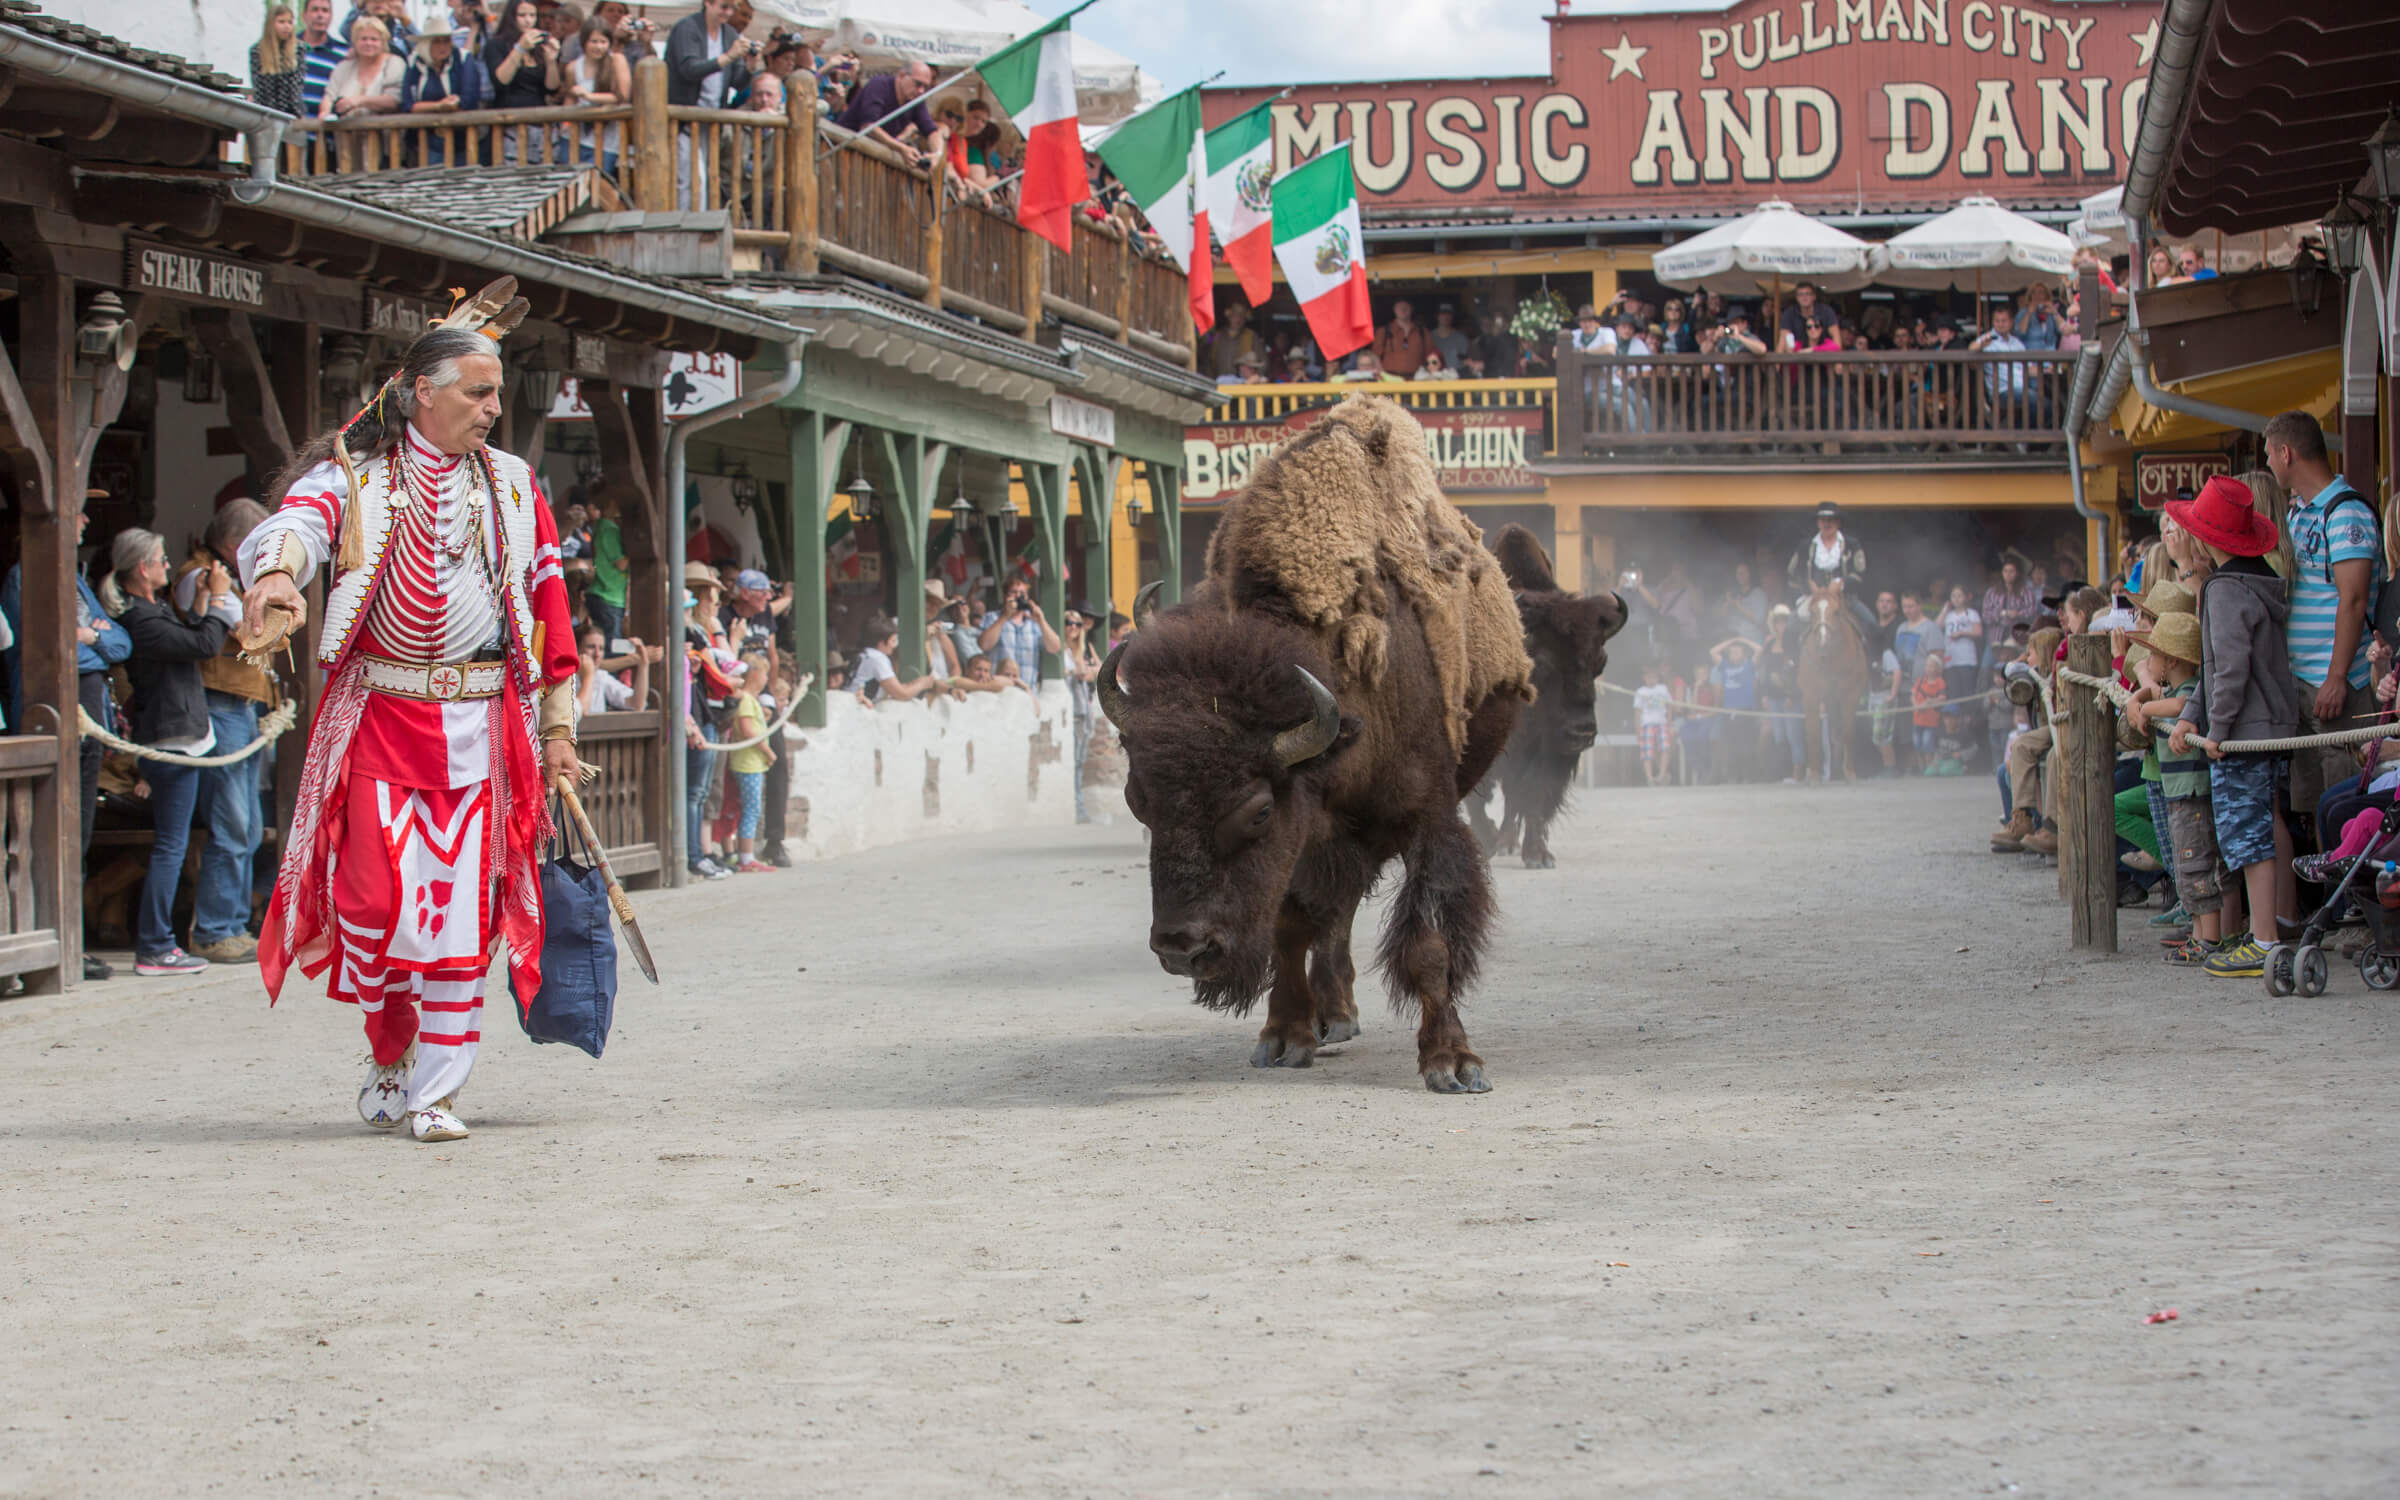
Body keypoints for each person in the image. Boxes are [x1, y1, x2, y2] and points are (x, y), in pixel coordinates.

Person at [238, 315, 581, 1145]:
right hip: (381, 722)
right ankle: (390, 1054)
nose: (494, 406)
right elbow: (295, 525)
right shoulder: (357, 480)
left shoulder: (511, 484)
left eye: (497, 390)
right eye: (479, 390)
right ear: (422, 393)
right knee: (377, 906)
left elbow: (548, 608)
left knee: (460, 917)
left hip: (481, 728)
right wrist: (279, 576)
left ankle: (439, 1090)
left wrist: (560, 727)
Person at [2165, 476, 2299, 979]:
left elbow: (2230, 669)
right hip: (2259, 725)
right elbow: (2215, 667)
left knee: (2247, 836)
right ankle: (2262, 930)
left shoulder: (2223, 592)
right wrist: (2190, 715)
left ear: (2206, 541)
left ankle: (2264, 940)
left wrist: (2214, 728)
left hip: (2243, 732)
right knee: (2253, 830)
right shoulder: (2256, 581)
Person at [106, 530, 238, 977]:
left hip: (184, 735)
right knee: (170, 847)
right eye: (162, 559)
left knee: (175, 844)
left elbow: (187, 643)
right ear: (143, 569)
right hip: (171, 741)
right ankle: (156, 947)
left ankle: (159, 943)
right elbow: (203, 646)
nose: (168, 564)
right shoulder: (140, 618)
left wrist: (202, 604)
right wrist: (220, 601)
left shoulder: (153, 611)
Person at [170, 501, 276, 965]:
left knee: (249, 825)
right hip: (220, 705)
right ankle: (214, 930)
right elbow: (248, 628)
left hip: (241, 708)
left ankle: (232, 924)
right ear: (237, 545)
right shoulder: (199, 576)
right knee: (231, 822)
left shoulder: (224, 576)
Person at [2265, 409, 2380, 827]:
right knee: (2312, 807)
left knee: (2344, 798)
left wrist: (2336, 677)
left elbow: (2352, 600)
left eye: (2269, 456)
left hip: (2338, 685)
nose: (2268, 465)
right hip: (2301, 683)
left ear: (2286, 453)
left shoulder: (2345, 512)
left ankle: (2350, 893)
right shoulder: (2298, 513)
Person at [2127, 612, 2223, 965]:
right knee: (2186, 867)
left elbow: (2180, 706)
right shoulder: (2172, 690)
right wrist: (2139, 702)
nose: (2149, 662)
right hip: (2177, 792)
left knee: (2196, 864)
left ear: (2170, 661)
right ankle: (2199, 933)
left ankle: (2209, 937)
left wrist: (2145, 707)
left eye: (2153, 655)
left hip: (2192, 793)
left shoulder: (2189, 692)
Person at [399, 25, 492, 159]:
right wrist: (438, 106)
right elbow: (407, 104)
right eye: (437, 41)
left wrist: (455, 103)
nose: (443, 46)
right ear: (426, 44)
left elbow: (470, 99)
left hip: (463, 138)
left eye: (446, 41)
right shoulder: (414, 62)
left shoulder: (462, 58)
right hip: (425, 139)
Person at [1786, 499, 1872, 637]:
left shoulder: (1852, 545)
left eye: (1831, 520)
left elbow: (1861, 574)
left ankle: (1874, 659)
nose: (1827, 523)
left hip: (1845, 599)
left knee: (1873, 626)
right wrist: (1809, 586)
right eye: (1823, 520)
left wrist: (1842, 583)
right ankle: (1791, 660)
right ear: (1818, 522)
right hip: (1813, 598)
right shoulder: (1805, 546)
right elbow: (1792, 574)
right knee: (1789, 629)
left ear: (1838, 522)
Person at [725, 649, 777, 871]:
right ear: (755, 674)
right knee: (752, 809)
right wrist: (768, 751)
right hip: (748, 763)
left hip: (750, 762)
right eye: (765, 674)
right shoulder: (746, 700)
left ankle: (744, 854)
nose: (766, 679)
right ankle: (746, 857)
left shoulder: (750, 700)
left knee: (750, 808)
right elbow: (747, 731)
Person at [837, 60, 941, 167]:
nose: (921, 91)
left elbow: (932, 131)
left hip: (869, 161)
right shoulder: (879, 85)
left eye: (926, 87)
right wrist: (901, 148)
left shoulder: (916, 99)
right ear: (902, 75)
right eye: (918, 84)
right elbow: (868, 127)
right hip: (842, 151)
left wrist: (937, 154)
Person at [560, 19, 632, 170]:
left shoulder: (616, 60)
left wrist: (589, 96)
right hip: (575, 136)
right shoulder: (573, 67)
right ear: (584, 42)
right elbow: (571, 97)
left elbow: (622, 96)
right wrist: (564, 123)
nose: (599, 46)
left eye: (603, 42)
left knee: (599, 183)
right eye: (594, 41)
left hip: (605, 139)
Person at [978, 575, 1058, 685]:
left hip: (1027, 690)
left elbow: (1055, 648)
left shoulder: (1034, 623)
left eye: (1022, 593)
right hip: (999, 689)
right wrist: (1005, 616)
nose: (1018, 596)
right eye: (1014, 592)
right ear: (1005, 595)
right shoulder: (992, 617)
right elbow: (984, 645)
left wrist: (1041, 621)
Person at [319, 14, 402, 119]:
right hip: (345, 133)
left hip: (384, 132)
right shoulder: (344, 67)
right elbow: (329, 98)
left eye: (374, 39)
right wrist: (325, 113)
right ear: (354, 42)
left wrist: (358, 101)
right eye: (363, 39)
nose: (368, 43)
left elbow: (394, 101)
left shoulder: (394, 64)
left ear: (383, 42)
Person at [579, 481, 629, 644]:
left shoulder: (601, 526)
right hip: (608, 595)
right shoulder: (608, 529)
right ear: (613, 502)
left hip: (607, 595)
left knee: (612, 641)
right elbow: (621, 563)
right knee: (611, 645)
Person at [850, 615, 940, 704]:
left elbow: (895, 688)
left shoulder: (864, 654)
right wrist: (922, 684)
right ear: (881, 643)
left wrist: (915, 683)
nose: (894, 646)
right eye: (893, 641)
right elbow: (902, 694)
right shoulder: (878, 659)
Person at [574, 621, 654, 717]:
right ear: (576, 649)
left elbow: (636, 704)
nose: (597, 654)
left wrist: (643, 664)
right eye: (591, 647)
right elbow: (579, 711)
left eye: (601, 648)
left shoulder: (601, 676)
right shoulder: (565, 677)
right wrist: (588, 674)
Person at [297, 0, 348, 118]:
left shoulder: (343, 53)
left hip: (324, 129)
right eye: (315, 10)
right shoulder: (288, 48)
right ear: (304, 16)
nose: (320, 15)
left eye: (325, 11)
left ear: (331, 17)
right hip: (291, 127)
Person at [252, 4, 305, 118]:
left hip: (292, 115)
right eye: (281, 22)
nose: (286, 26)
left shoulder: (298, 49)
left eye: (289, 22)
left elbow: (296, 88)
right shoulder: (257, 51)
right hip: (266, 114)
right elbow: (259, 90)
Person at [1633, 666, 1671, 787]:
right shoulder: (1640, 692)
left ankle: (1661, 775)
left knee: (1664, 749)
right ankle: (1649, 778)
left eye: (1654, 677)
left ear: (1657, 677)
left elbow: (1669, 706)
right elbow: (1637, 712)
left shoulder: (1663, 689)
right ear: (1644, 678)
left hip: (1661, 723)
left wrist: (1668, 722)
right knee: (1647, 752)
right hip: (1646, 724)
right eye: (1648, 677)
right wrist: (1638, 729)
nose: (1651, 679)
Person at [1374, 299, 1430, 378]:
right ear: (1394, 310)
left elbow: (1431, 355)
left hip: (1417, 379)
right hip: (1390, 379)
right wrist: (1382, 376)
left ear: (1411, 309)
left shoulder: (1422, 332)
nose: (1403, 309)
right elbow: (1375, 357)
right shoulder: (1383, 331)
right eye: (1399, 307)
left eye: (1406, 307)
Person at [1910, 649, 1946, 764]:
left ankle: (1928, 766)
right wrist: (1916, 705)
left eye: (1931, 666)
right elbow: (1913, 695)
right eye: (1927, 665)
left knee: (1927, 743)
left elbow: (1942, 698)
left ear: (1937, 668)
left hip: (1931, 721)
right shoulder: (1921, 681)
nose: (1929, 668)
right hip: (1917, 719)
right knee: (1916, 743)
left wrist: (1930, 702)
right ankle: (1921, 766)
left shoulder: (1940, 682)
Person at [1428, 304, 1471, 370]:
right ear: (1437, 316)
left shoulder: (1461, 338)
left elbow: (1465, 361)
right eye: (1442, 314)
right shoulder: (1429, 337)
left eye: (1449, 314)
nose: (1446, 317)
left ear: (1452, 317)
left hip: (1456, 376)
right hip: (1434, 376)